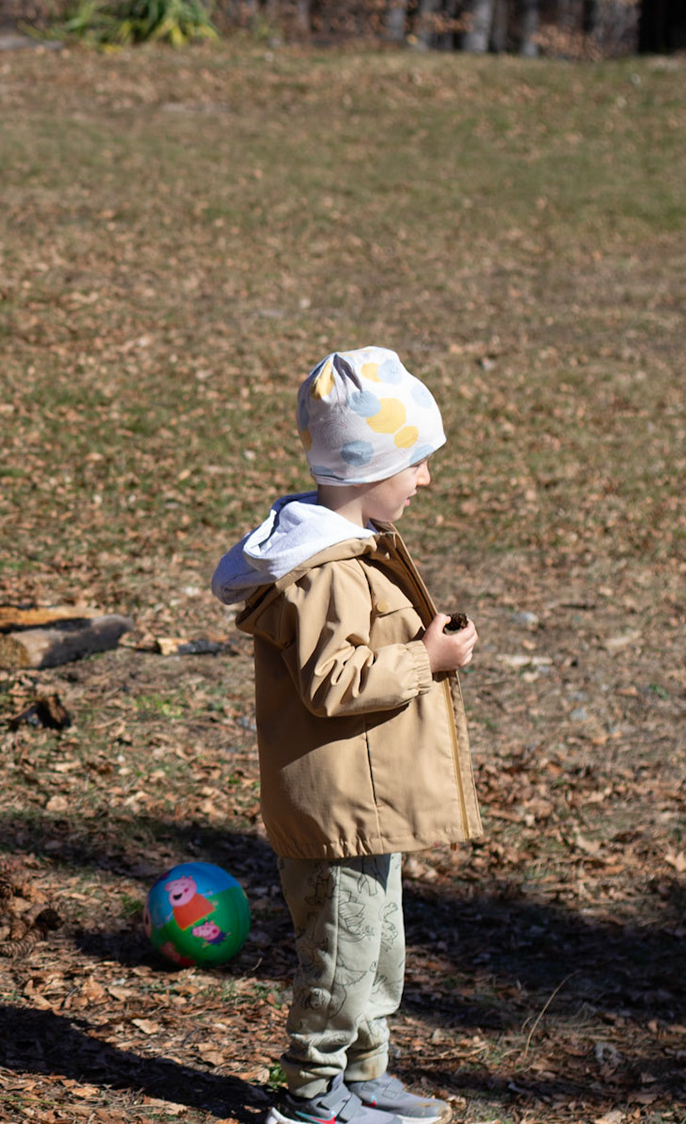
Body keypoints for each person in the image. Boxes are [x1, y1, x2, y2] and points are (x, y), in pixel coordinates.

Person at [211, 347, 481, 1124]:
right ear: (370, 467)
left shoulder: (358, 546)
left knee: (377, 948)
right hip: (337, 807)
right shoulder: (326, 569)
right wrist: (425, 660)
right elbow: (333, 681)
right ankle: (308, 1095)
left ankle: (363, 1076)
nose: (425, 478)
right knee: (341, 954)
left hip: (367, 800)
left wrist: (424, 642)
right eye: (415, 462)